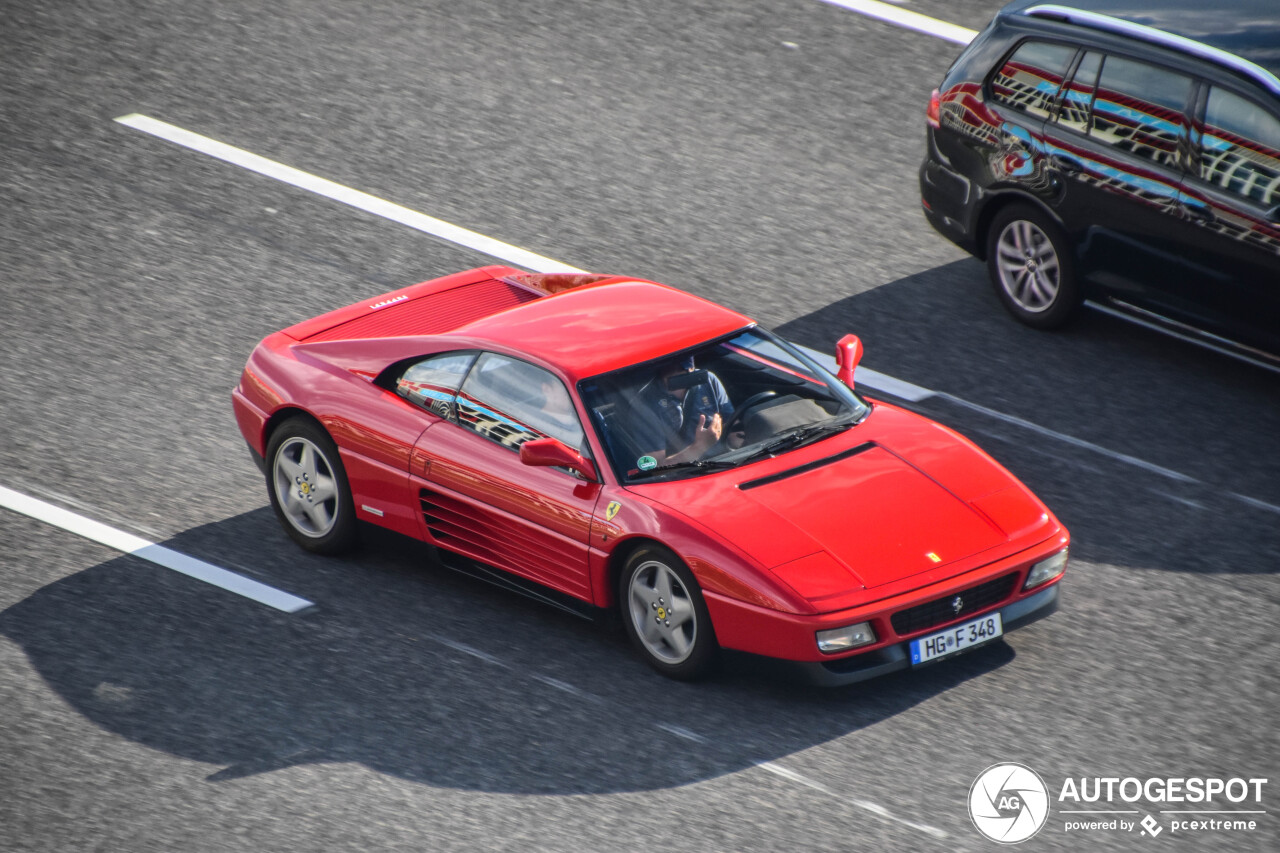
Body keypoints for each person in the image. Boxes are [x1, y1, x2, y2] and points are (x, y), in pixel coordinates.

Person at [632, 357, 734, 465]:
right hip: (685, 473)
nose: (677, 370)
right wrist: (701, 446)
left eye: (684, 368)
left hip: (727, 461)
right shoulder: (645, 405)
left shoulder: (708, 380)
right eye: (672, 367)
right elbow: (656, 467)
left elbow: (733, 426)